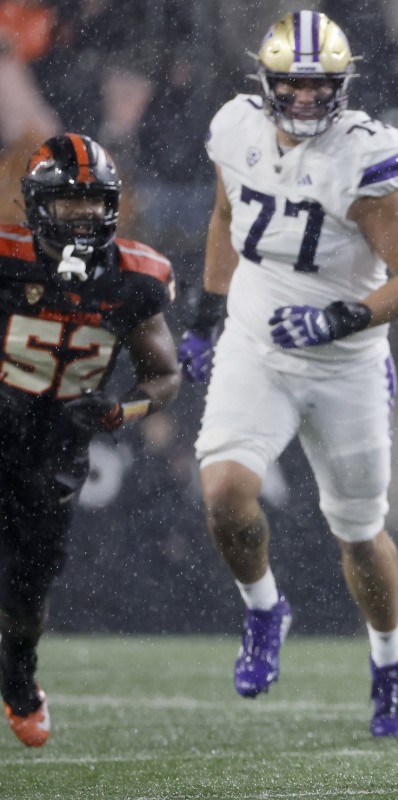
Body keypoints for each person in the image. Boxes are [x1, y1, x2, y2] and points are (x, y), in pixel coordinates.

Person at [175, 11, 398, 737]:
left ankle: (389, 659)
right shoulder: (235, 131)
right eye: (290, 83)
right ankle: (265, 610)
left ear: (342, 85)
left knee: (359, 533)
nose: (302, 98)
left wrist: (341, 318)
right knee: (225, 494)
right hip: (257, 346)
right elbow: (226, 215)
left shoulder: (366, 158)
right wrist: (206, 316)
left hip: (346, 365)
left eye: (317, 85)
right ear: (266, 83)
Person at [0, 133, 180, 747]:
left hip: (57, 450)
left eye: (93, 202)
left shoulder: (136, 278)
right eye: (67, 202)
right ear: (33, 205)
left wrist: (118, 411)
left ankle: (19, 680)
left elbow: (165, 377)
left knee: (26, 596)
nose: (81, 216)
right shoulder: (7, 256)